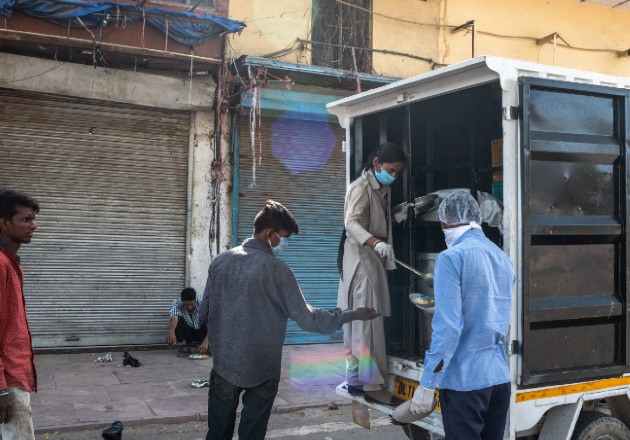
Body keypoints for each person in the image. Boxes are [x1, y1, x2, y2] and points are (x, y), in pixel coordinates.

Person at [199, 199, 380, 440]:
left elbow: (203, 314)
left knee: (217, 433)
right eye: (284, 237)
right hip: (262, 369)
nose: (284, 243)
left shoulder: (220, 262)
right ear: (269, 234)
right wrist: (350, 314)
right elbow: (308, 319)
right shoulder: (278, 271)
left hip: (223, 367)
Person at [410, 191, 515, 440]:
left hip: (464, 383)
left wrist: (427, 384)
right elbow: (492, 312)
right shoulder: (503, 258)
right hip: (499, 380)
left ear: (446, 223)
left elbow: (449, 329)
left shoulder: (451, 258)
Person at [337, 141, 407, 404]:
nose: (394, 176)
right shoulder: (360, 187)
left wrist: (396, 216)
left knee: (357, 324)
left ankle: (355, 380)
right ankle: (371, 384)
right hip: (361, 261)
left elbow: (376, 218)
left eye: (398, 172)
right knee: (367, 324)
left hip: (369, 258)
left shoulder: (382, 187)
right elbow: (351, 223)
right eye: (391, 170)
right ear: (376, 163)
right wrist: (376, 242)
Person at [0, 189, 40, 440]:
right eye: (25, 219)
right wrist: (2, 390)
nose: (33, 226)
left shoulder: (11, 261)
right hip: (8, 377)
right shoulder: (1, 264)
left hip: (14, 373)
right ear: (4, 223)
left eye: (33, 219)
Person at [166, 287, 209, 356]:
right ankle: (185, 344)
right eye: (186, 305)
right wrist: (171, 332)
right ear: (182, 302)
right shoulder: (177, 302)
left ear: (195, 300)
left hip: (202, 331)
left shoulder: (202, 303)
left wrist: (206, 342)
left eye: (192, 304)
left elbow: (212, 325)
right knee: (176, 319)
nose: (189, 307)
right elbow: (174, 317)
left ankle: (200, 345)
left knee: (210, 325)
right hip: (188, 333)